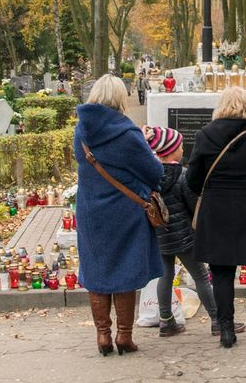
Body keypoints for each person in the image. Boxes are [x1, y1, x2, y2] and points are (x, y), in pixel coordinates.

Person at [186, 86, 246, 348]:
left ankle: (227, 331)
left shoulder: (205, 135)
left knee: (222, 273)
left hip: (217, 210)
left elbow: (193, 180)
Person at [73, 74, 163, 356]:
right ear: (119, 98)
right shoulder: (126, 134)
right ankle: (124, 335)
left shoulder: (81, 132)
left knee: (97, 269)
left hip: (91, 212)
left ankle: (103, 335)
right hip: (125, 212)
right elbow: (155, 173)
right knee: (124, 269)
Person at [144, 125, 243, 338]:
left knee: (165, 276)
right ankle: (217, 319)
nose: (183, 149)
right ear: (171, 150)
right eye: (180, 146)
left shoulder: (150, 177)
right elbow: (193, 205)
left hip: (160, 235)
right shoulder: (183, 175)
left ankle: (166, 320)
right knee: (200, 276)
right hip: (184, 236)